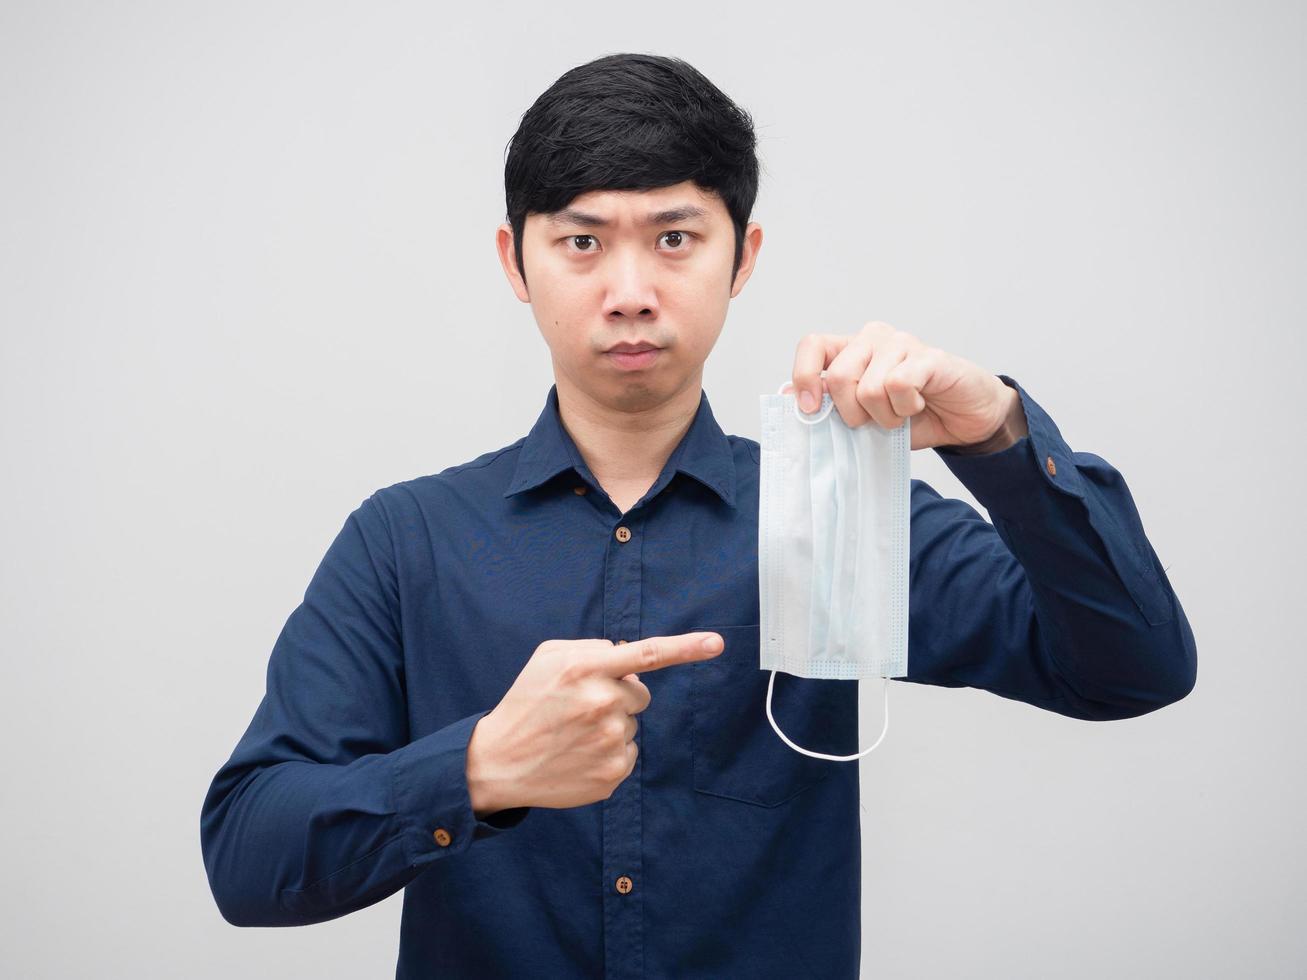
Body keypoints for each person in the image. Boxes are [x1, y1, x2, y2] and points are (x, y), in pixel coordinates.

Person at [200, 52, 1197, 978]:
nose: (629, 293)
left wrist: (996, 434)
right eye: (580, 242)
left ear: (741, 252)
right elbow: (247, 854)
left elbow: (1131, 667)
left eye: (673, 239)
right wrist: (480, 766)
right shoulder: (405, 540)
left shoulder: (838, 509)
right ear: (515, 261)